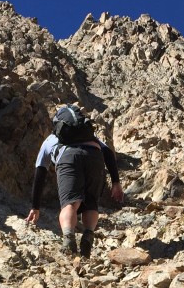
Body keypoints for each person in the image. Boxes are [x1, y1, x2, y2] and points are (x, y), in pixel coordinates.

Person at [25, 107, 124, 258]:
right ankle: (88, 235)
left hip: (68, 157)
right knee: (90, 203)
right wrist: (116, 182)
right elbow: (108, 153)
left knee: (71, 203)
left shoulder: (50, 139)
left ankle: (68, 240)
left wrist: (35, 207)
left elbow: (40, 173)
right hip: (95, 156)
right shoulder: (91, 136)